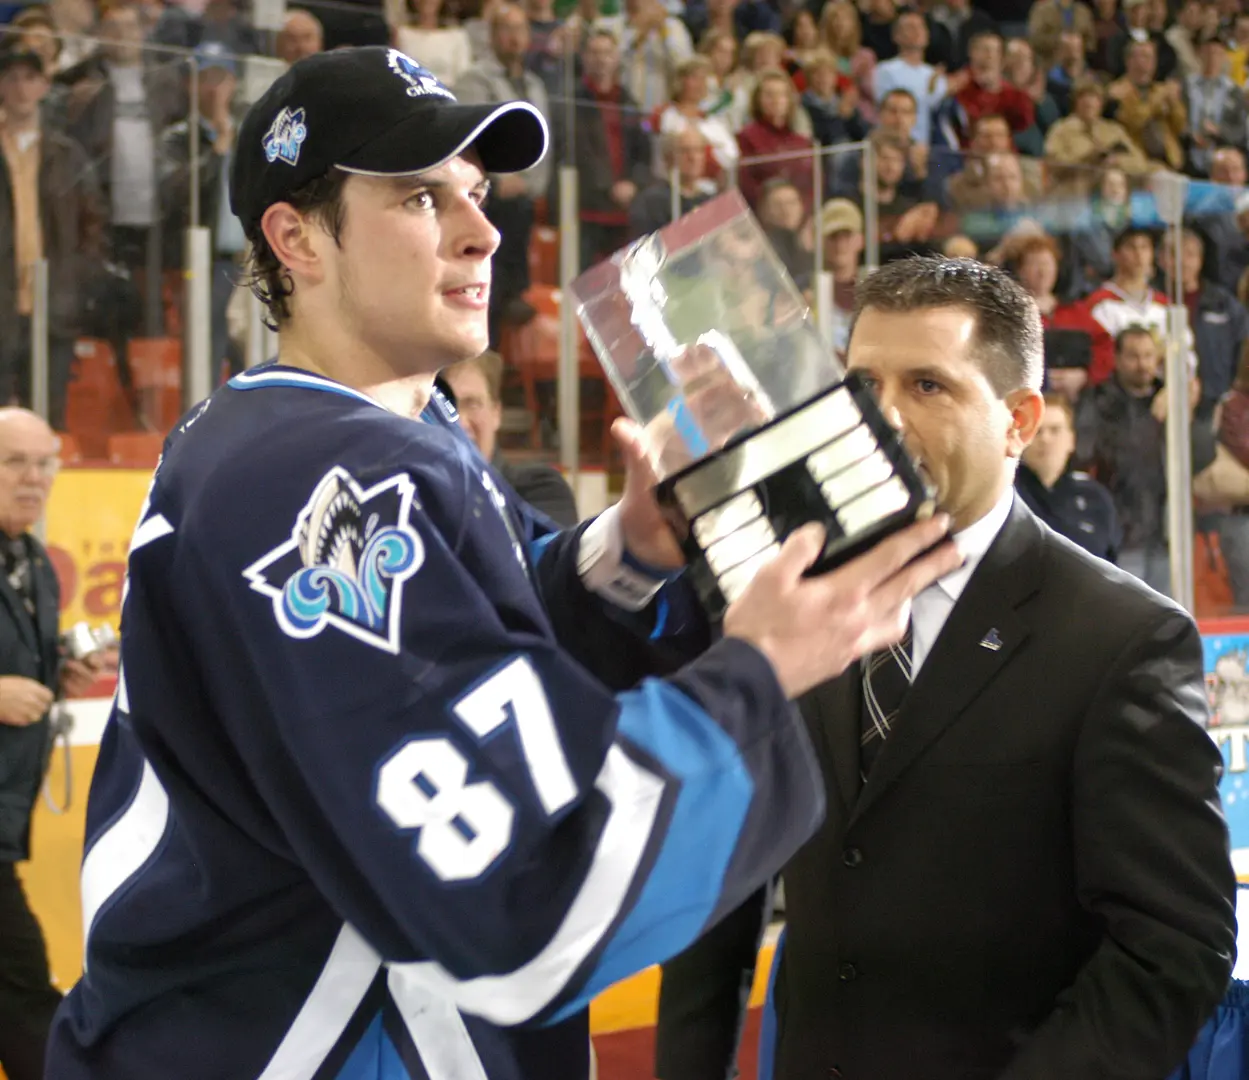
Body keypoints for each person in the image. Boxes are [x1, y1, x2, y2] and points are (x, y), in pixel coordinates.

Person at [44, 47, 961, 1080]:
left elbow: (477, 661)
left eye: (476, 193)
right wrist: (752, 673)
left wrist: (633, 549)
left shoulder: (360, 435)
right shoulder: (315, 480)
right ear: (294, 238)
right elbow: (515, 901)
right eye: (420, 198)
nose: (483, 230)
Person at [655, 256, 1237, 1080]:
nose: (883, 417)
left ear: (1019, 420)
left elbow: (1174, 945)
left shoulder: (1123, 639)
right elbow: (720, 890)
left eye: (927, 386)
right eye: (864, 386)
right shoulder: (788, 600)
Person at [0, 408, 99, 1080]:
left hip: (7, 815)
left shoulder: (33, 560)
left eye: (46, 462)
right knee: (26, 988)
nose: (34, 479)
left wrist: (57, 670)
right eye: (15, 463)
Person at [441, 350, 579, 526]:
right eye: (445, 407)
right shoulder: (409, 494)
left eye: (473, 404)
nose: (460, 422)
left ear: (496, 413)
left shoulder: (539, 490)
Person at [1015, 391, 1120, 561]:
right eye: (1038, 431)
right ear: (1022, 438)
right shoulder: (1005, 497)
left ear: (1071, 440)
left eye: (1055, 430)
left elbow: (1111, 564)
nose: (1046, 439)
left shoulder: (1094, 497)